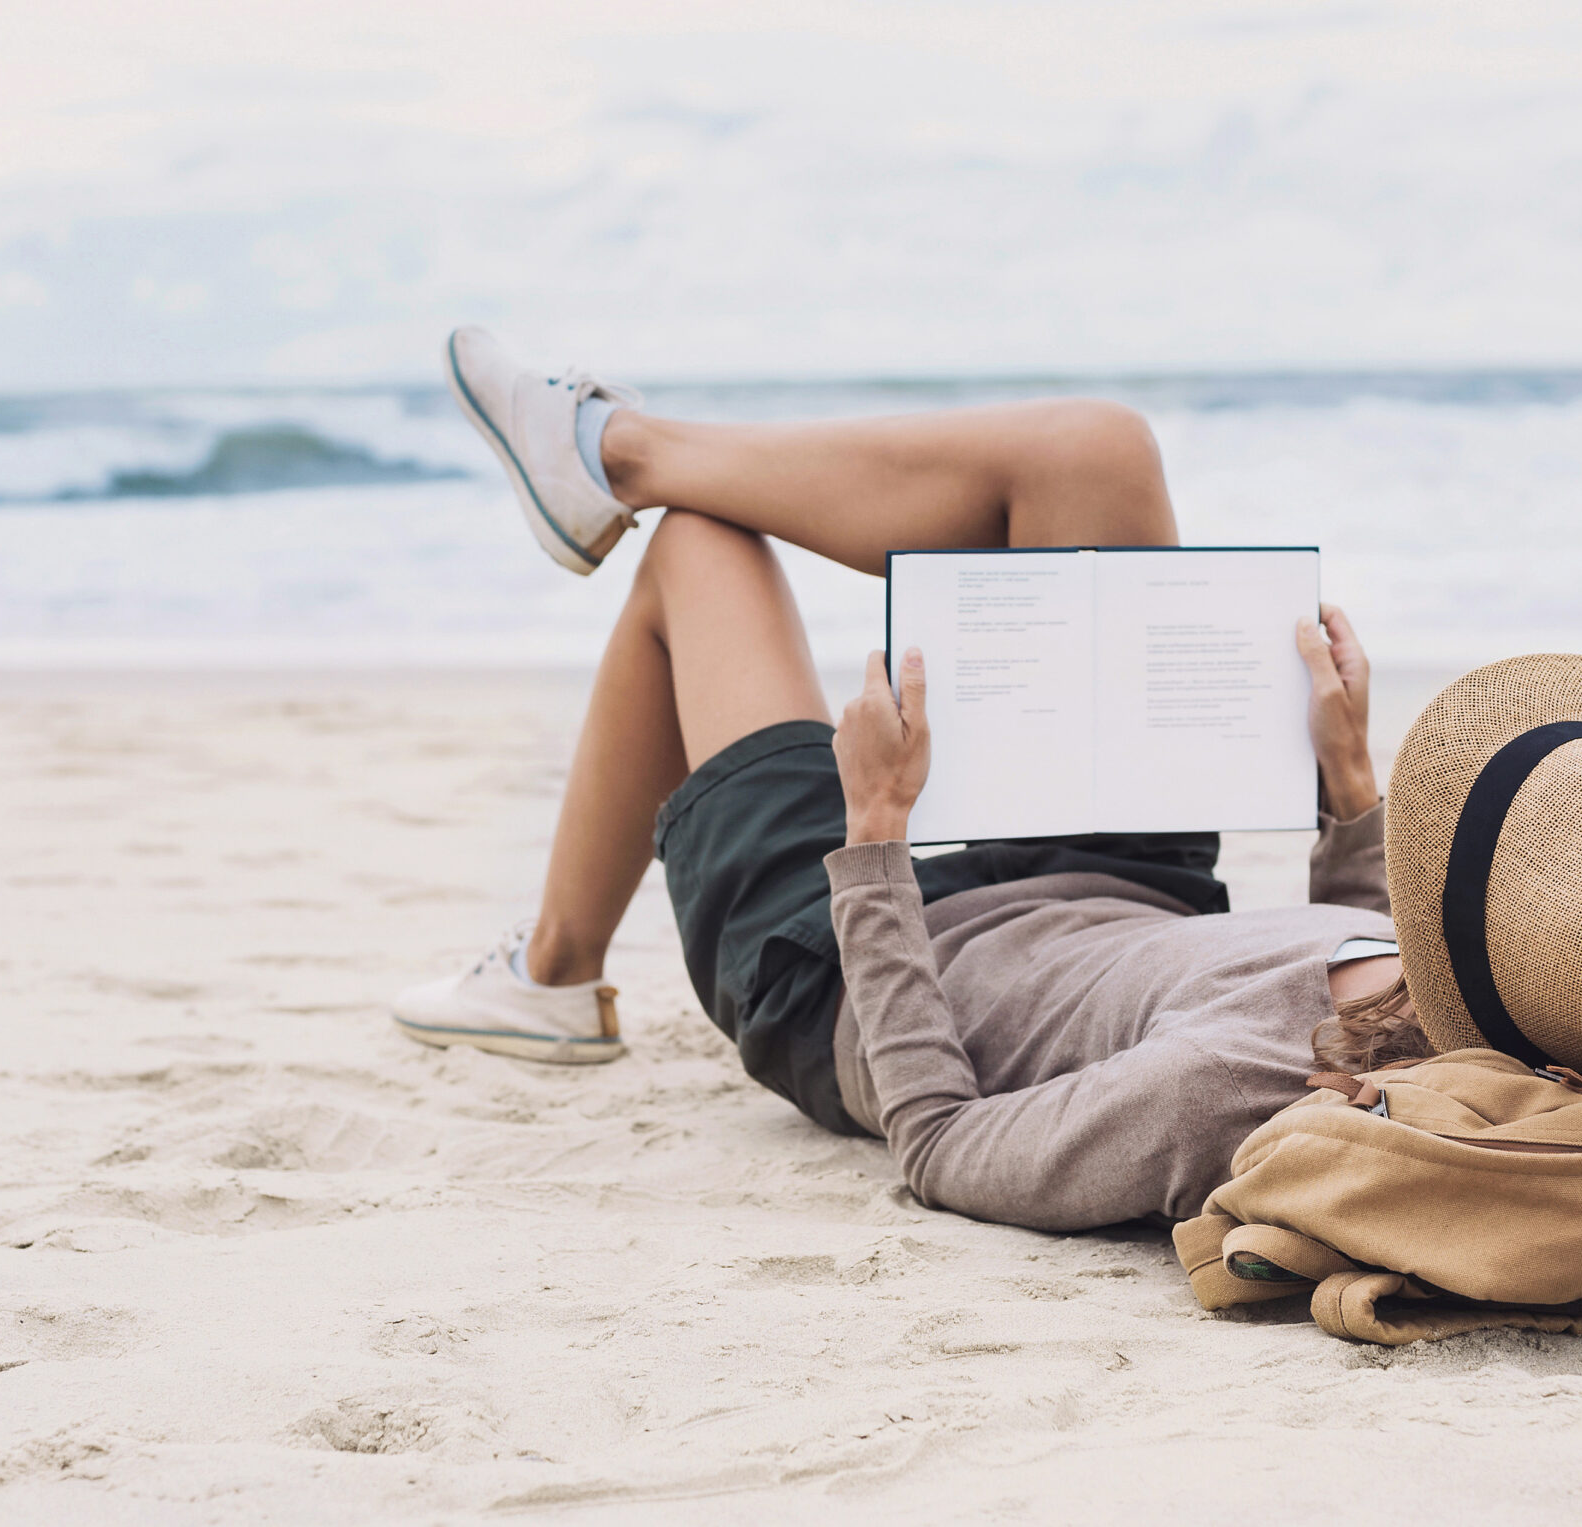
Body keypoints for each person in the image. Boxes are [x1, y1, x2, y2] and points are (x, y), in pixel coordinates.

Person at [391, 328, 1414, 1231]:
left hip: (854, 973)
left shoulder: (1213, 1084)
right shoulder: (1452, 991)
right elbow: (1349, 971)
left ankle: (556, 967)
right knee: (1094, 450)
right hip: (1123, 897)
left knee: (700, 544)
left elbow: (939, 1141)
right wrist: (1349, 777)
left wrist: (878, 826)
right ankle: (613, 453)